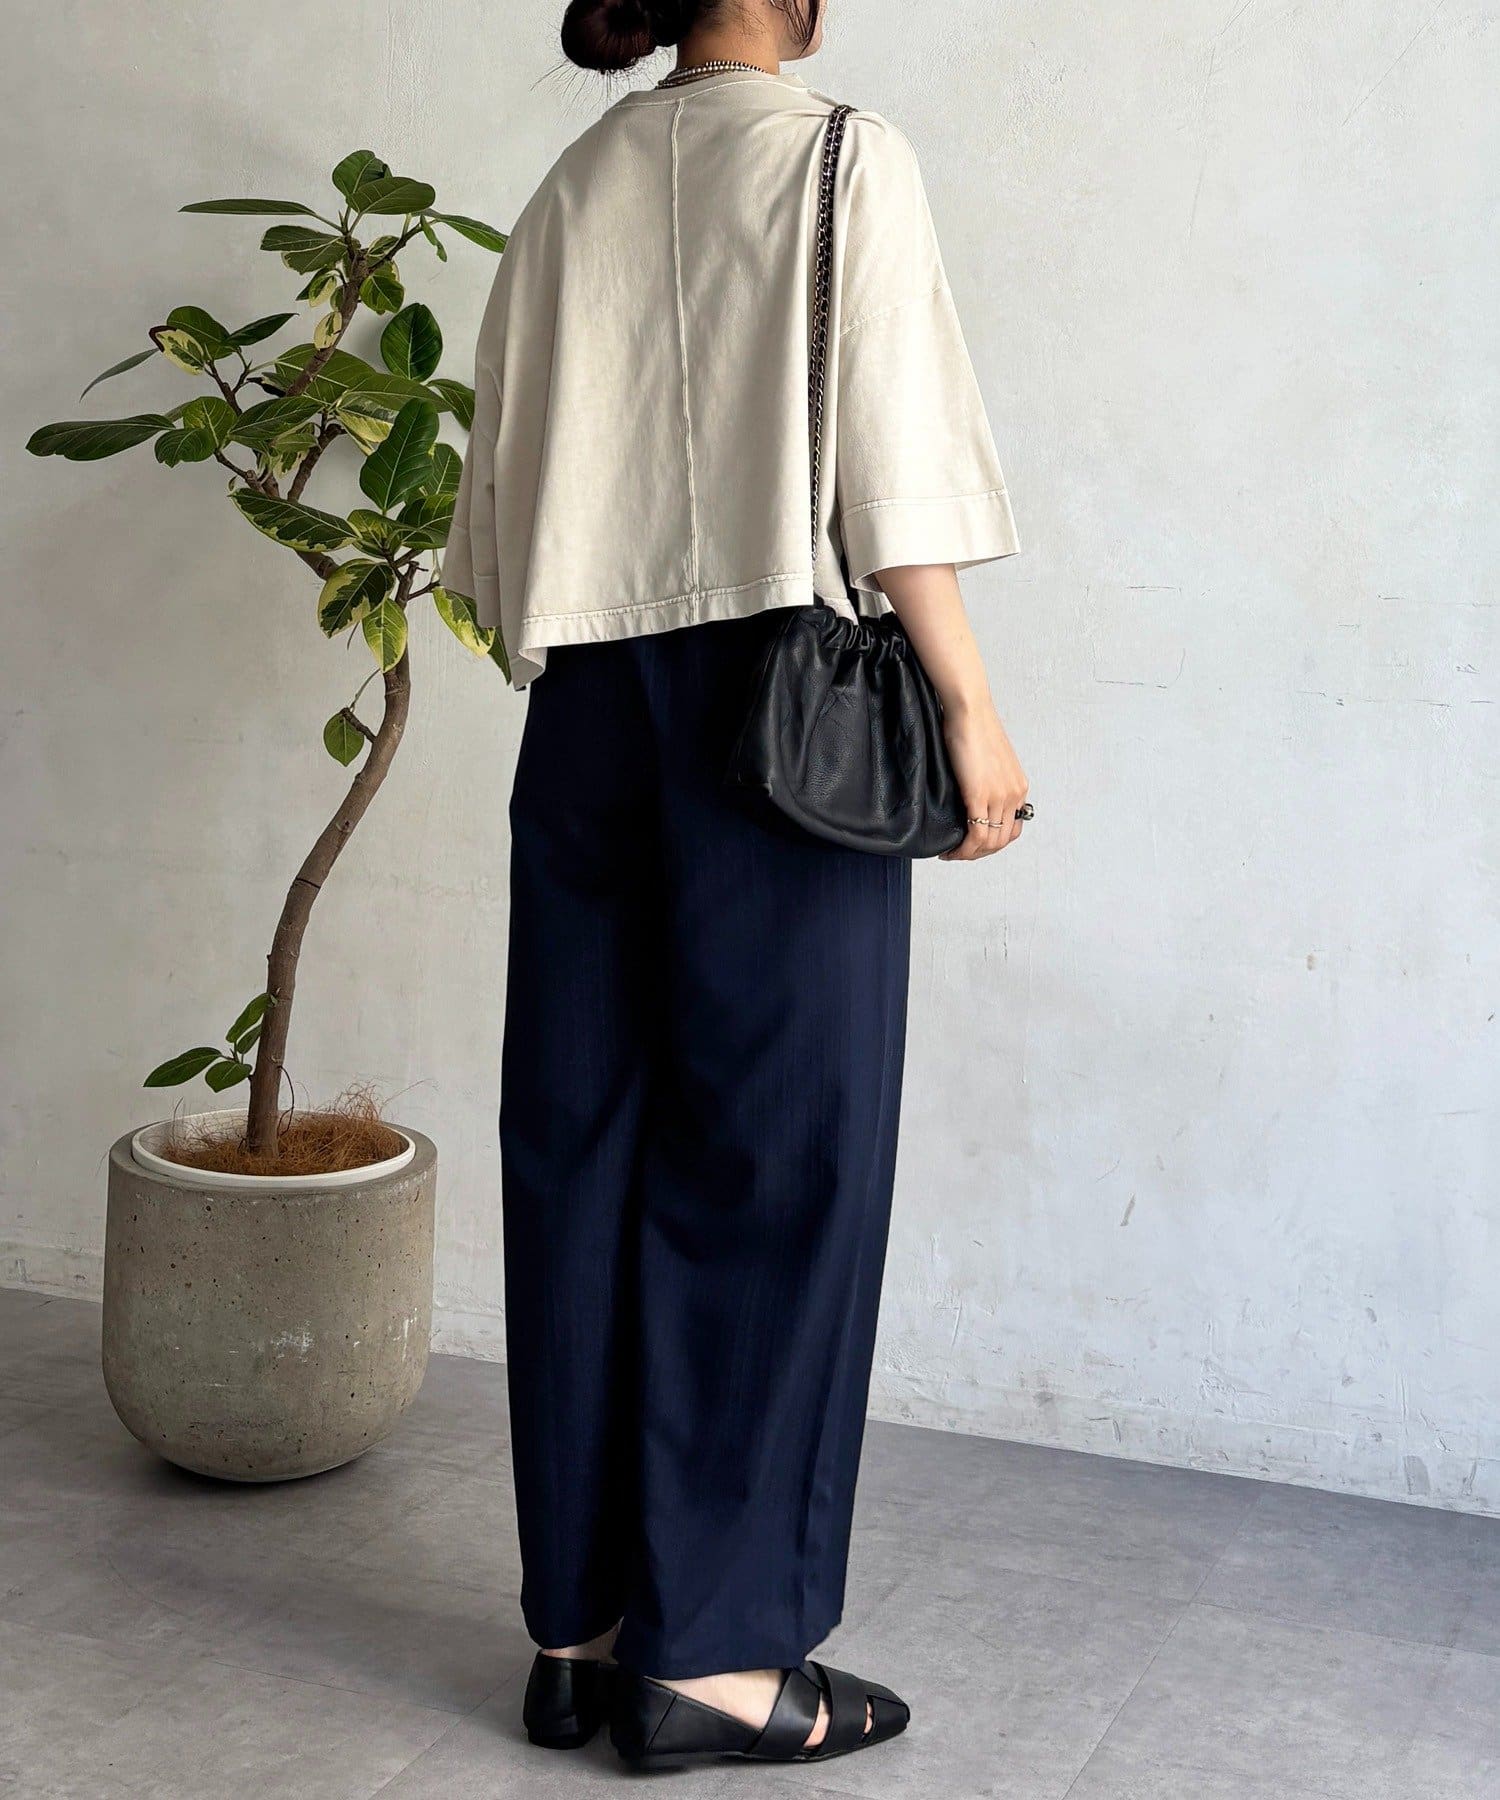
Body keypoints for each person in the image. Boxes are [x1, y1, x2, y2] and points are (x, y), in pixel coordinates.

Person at [442, 0, 1029, 1771]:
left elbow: (494, 525)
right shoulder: (845, 158)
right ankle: (708, 1657)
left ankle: (580, 1631)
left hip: (587, 713)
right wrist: (969, 706)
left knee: (582, 1144)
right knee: (778, 1163)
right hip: (783, 717)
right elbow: (893, 463)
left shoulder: (570, 188)